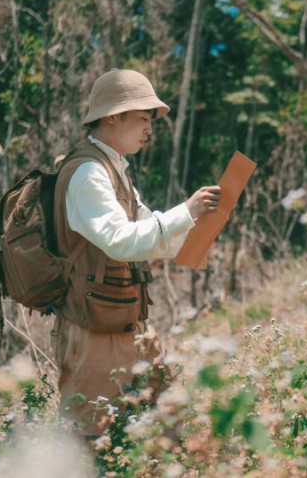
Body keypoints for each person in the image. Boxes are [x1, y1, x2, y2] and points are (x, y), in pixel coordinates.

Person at [51, 68, 221, 436]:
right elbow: (121, 240)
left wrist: (200, 232)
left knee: (169, 428)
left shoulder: (115, 169)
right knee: (88, 445)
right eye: (143, 118)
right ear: (113, 117)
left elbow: (149, 235)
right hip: (92, 333)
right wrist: (187, 211)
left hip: (127, 327)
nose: (150, 128)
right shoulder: (88, 174)